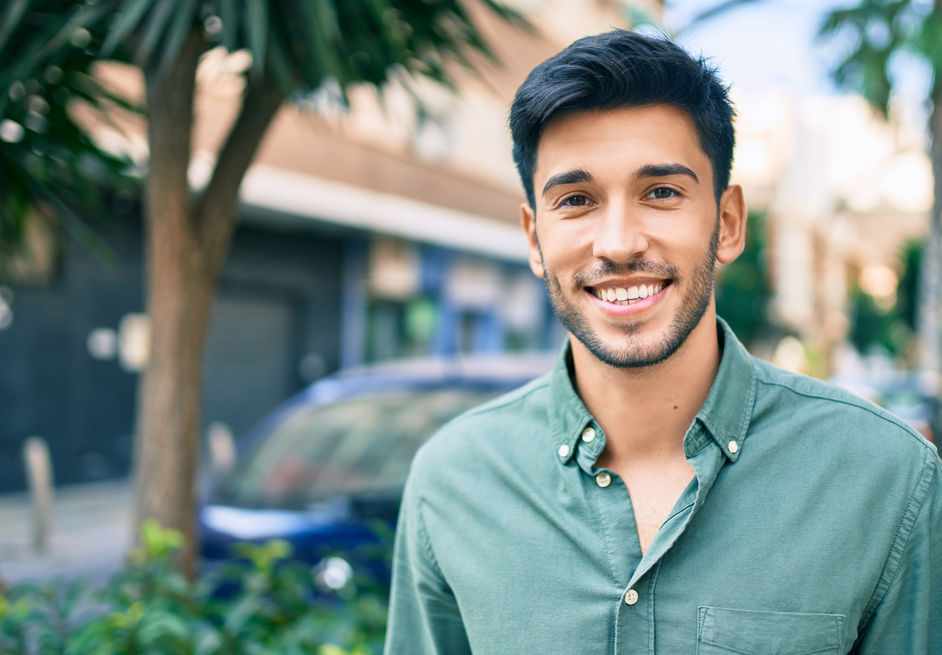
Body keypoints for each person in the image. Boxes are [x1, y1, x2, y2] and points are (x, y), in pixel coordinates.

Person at [384, 30, 942, 654]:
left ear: (727, 222)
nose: (619, 243)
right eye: (576, 200)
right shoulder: (452, 480)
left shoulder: (886, 477)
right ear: (535, 239)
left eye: (661, 192)